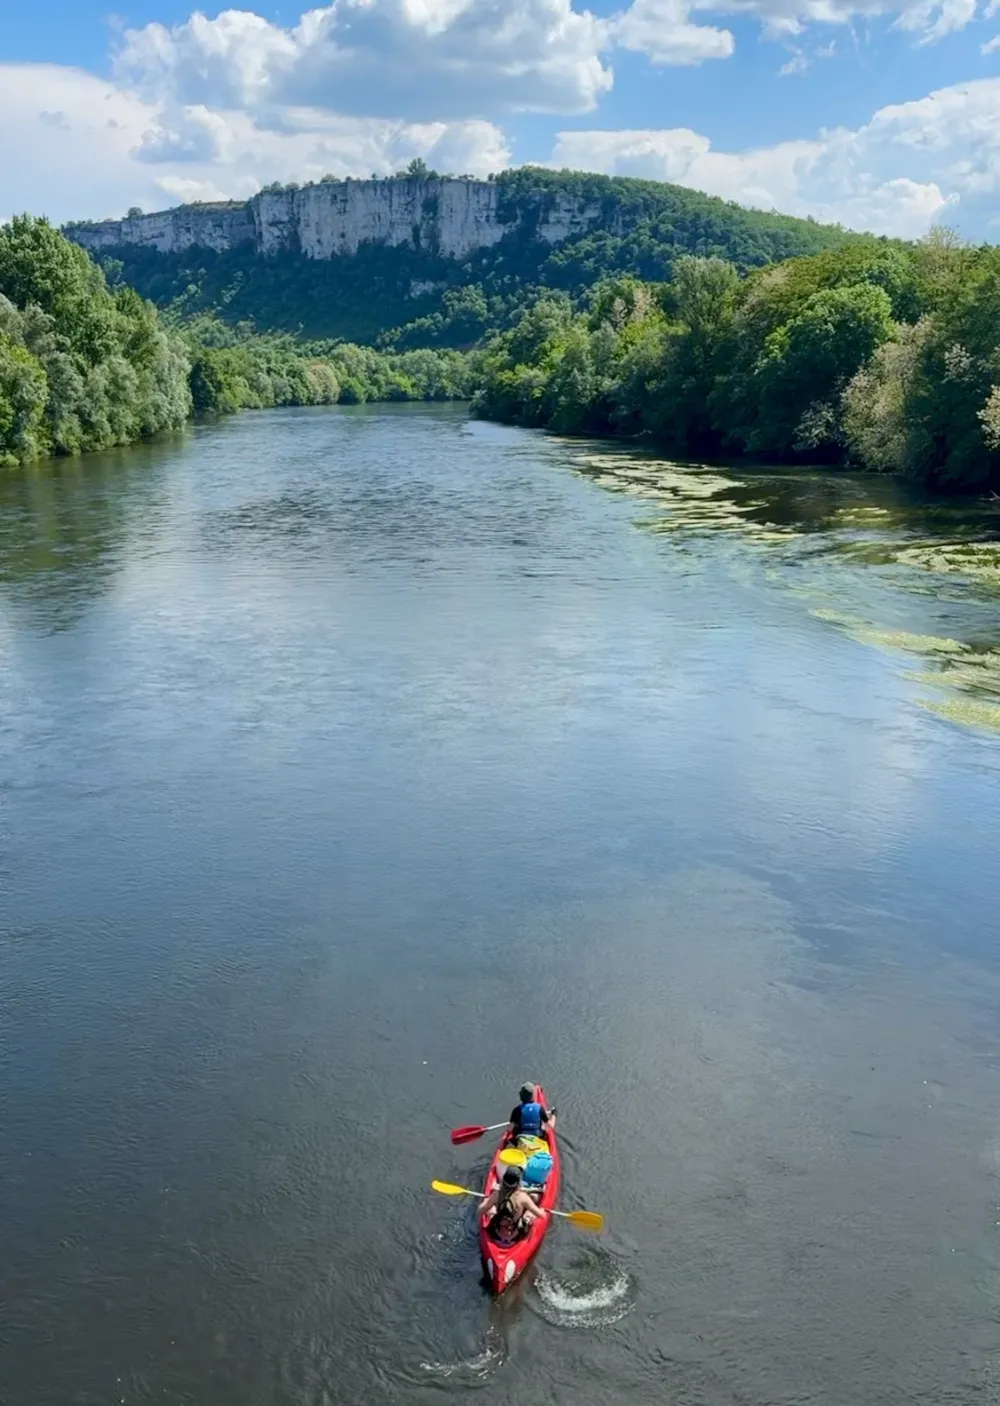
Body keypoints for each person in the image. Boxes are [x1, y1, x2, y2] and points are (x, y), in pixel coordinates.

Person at [480, 1167, 547, 1244]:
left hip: (496, 1231)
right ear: (518, 1182)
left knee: (488, 1203)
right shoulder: (523, 1197)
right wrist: (542, 1210)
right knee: (533, 1204)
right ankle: (526, 1220)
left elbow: (481, 1210)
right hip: (516, 1235)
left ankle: (492, 1217)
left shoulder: (497, 1194)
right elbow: (542, 1216)